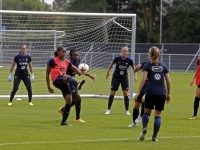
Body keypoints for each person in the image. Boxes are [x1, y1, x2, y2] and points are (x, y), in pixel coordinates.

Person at [134, 46, 170, 142]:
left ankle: (144, 128)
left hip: (150, 92)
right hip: (162, 93)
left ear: (149, 54)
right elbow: (168, 82)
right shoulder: (163, 66)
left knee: (147, 112)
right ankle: (154, 137)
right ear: (158, 55)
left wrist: (138, 92)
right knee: (158, 115)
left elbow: (143, 79)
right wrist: (168, 94)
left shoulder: (147, 65)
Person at [46, 46, 82, 126]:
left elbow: (74, 68)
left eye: (65, 52)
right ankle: (77, 84)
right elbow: (47, 73)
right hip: (56, 80)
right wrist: (48, 87)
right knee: (66, 76)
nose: (64, 53)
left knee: (69, 100)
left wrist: (79, 71)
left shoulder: (67, 62)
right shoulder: (52, 60)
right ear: (58, 52)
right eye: (63, 52)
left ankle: (63, 122)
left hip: (65, 82)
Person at [58, 48, 95, 123]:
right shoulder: (69, 63)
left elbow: (79, 72)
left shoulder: (78, 63)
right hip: (68, 82)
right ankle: (77, 118)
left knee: (75, 100)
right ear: (71, 56)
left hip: (72, 82)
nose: (76, 56)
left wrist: (89, 75)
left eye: (77, 55)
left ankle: (63, 110)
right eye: (74, 55)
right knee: (78, 98)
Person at [105, 46, 137, 115]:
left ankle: (127, 110)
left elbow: (134, 68)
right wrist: (108, 72)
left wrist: (135, 75)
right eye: (123, 51)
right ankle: (108, 109)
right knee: (112, 93)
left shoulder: (129, 60)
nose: (124, 52)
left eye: (126, 51)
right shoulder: (117, 58)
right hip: (116, 78)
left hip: (124, 78)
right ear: (121, 52)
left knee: (125, 93)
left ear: (127, 52)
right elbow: (111, 64)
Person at [128, 61, 148, 127]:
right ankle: (134, 122)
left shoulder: (158, 65)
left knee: (144, 100)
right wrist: (136, 68)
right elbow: (136, 68)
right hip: (144, 86)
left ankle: (142, 116)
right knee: (137, 103)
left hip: (151, 86)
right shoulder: (145, 63)